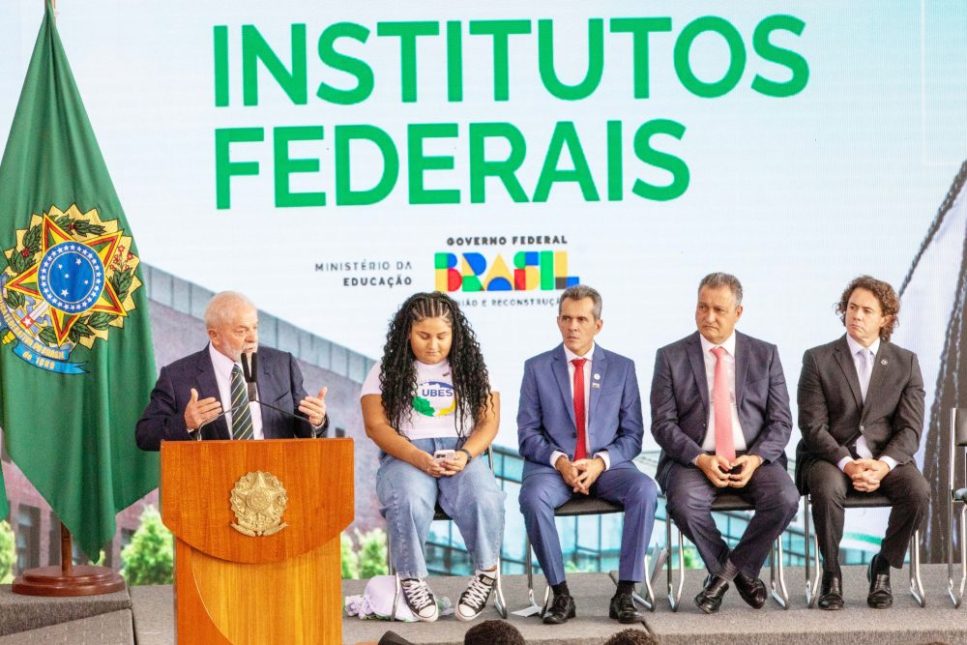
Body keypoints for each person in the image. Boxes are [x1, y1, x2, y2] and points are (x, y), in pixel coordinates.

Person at [650, 272, 799, 614]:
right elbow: (663, 424)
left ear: (738, 313)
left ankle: (722, 576)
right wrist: (700, 459)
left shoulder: (765, 354)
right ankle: (741, 574)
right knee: (683, 504)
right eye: (702, 307)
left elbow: (781, 421)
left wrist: (756, 458)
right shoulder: (671, 356)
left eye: (719, 310)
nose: (709, 317)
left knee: (785, 498)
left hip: (753, 458)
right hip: (692, 459)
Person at [518, 285, 658, 625]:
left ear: (598, 324)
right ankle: (561, 595)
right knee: (532, 498)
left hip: (607, 467)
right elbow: (527, 435)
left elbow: (633, 435)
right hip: (553, 470)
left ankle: (624, 594)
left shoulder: (622, 368)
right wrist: (560, 462)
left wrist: (600, 462)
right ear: (558, 321)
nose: (573, 326)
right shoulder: (537, 368)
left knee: (644, 489)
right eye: (566, 318)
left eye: (581, 319)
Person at [361, 292, 505, 623]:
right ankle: (411, 578)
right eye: (423, 336)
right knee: (408, 499)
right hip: (406, 454)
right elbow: (375, 426)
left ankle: (486, 573)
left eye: (442, 336)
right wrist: (416, 457)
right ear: (407, 333)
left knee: (484, 496)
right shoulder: (384, 370)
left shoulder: (474, 368)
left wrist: (466, 454)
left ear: (455, 334)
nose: (433, 345)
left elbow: (489, 421)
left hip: (461, 452)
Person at [796, 275, 928, 610]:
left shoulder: (906, 363)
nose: (856, 315)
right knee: (826, 487)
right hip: (830, 457)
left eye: (867, 310)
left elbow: (910, 429)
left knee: (918, 492)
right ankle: (831, 574)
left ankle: (882, 564)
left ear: (885, 319)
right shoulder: (817, 359)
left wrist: (882, 466)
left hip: (885, 459)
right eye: (852, 307)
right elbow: (812, 427)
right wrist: (848, 464)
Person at [136, 291, 327, 449]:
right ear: (214, 336)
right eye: (241, 331)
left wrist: (316, 421)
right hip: (212, 478)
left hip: (273, 477)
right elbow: (145, 435)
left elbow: (303, 424)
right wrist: (186, 423)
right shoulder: (177, 376)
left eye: (255, 328)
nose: (253, 338)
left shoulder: (281, 365)